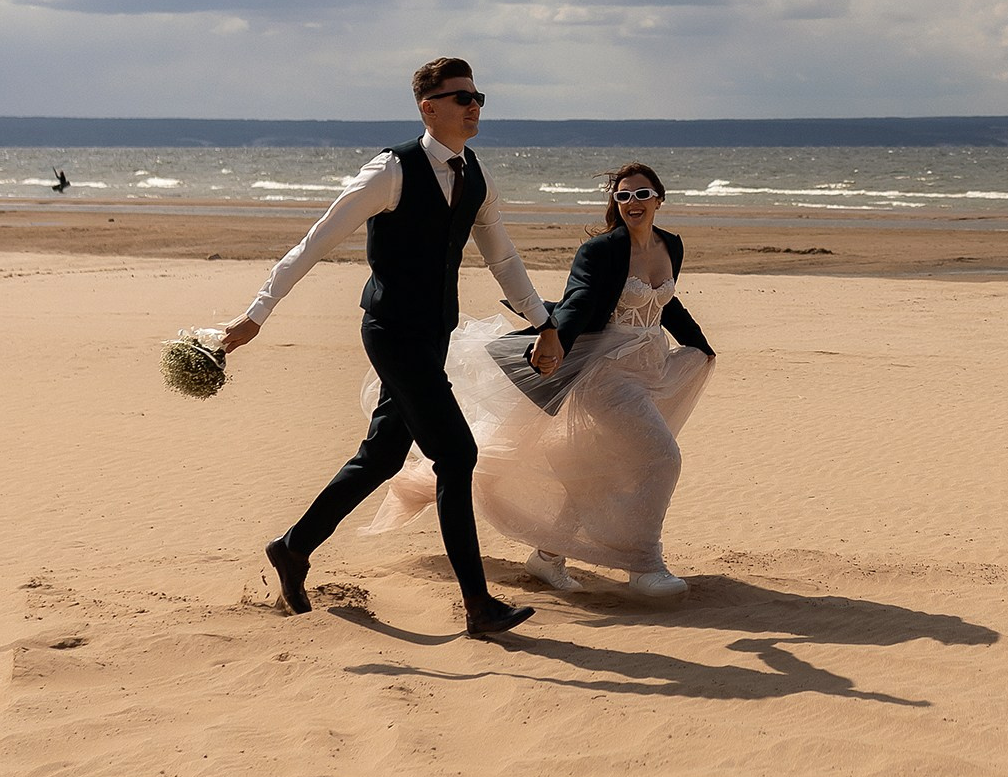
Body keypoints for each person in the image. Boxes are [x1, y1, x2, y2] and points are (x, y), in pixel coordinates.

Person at [218, 57, 557, 641]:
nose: (474, 107)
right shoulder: (390, 170)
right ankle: (478, 606)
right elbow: (315, 242)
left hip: (433, 333)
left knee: (380, 457)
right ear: (429, 107)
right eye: (461, 98)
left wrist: (543, 321)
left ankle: (293, 548)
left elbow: (501, 258)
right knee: (456, 455)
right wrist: (256, 314)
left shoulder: (475, 175)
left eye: (478, 97)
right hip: (393, 332)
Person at [365, 161, 713, 600]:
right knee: (661, 457)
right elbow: (578, 303)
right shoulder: (601, 252)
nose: (633, 203)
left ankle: (548, 555)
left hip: (649, 366)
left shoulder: (670, 245)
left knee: (601, 465)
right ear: (615, 202)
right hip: (604, 372)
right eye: (623, 195)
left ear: (658, 200)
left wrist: (700, 345)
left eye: (642, 194)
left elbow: (666, 304)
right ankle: (644, 565)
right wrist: (554, 342)